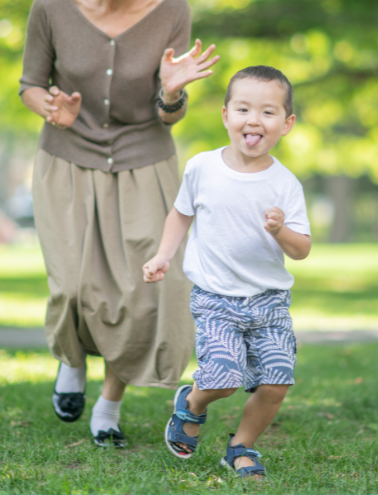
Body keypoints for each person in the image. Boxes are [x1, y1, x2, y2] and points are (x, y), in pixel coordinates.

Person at [19, 0, 219, 448]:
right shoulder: (52, 4)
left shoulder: (172, 10)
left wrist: (173, 94)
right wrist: (51, 110)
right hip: (67, 159)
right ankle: (73, 363)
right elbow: (31, 85)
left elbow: (168, 112)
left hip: (144, 162)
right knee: (74, 286)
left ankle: (109, 403)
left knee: (144, 290)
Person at [142, 65, 311, 478]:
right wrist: (163, 255)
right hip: (216, 298)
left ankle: (241, 448)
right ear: (225, 116)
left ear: (286, 124)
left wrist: (279, 229)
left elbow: (302, 249)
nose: (254, 120)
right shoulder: (203, 168)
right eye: (243, 109)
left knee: (276, 383)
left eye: (268, 112)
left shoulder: (285, 184)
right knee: (223, 378)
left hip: (269, 302)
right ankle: (194, 403)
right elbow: (181, 215)